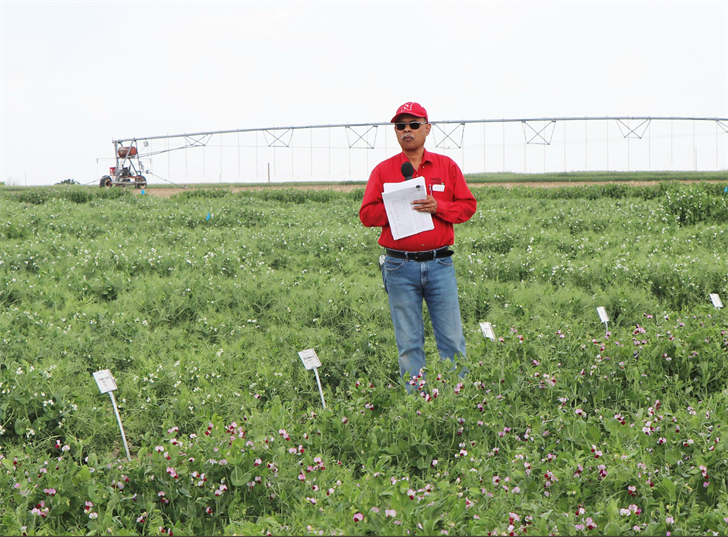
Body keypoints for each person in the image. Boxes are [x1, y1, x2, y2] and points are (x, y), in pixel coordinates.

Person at [359, 102, 477, 391]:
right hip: (399, 267)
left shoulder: (446, 167)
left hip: (440, 265)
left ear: (427, 128)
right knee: (409, 342)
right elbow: (366, 215)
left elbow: (467, 207)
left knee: (451, 338)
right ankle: (418, 404)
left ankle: (458, 400)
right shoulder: (383, 171)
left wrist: (439, 207)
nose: (407, 130)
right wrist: (395, 207)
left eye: (413, 124)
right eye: (400, 126)